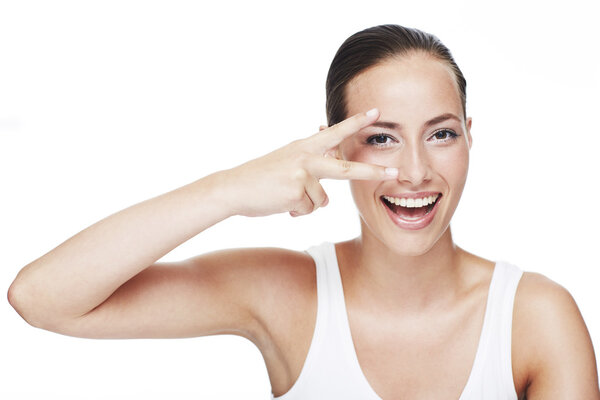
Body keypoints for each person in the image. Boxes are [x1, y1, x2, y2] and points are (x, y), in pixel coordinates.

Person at [7, 24, 600, 399]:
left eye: (441, 134)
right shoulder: (285, 294)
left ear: (469, 137)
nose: (417, 172)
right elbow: (43, 298)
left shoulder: (535, 317)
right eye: (383, 138)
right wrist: (227, 190)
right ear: (333, 148)